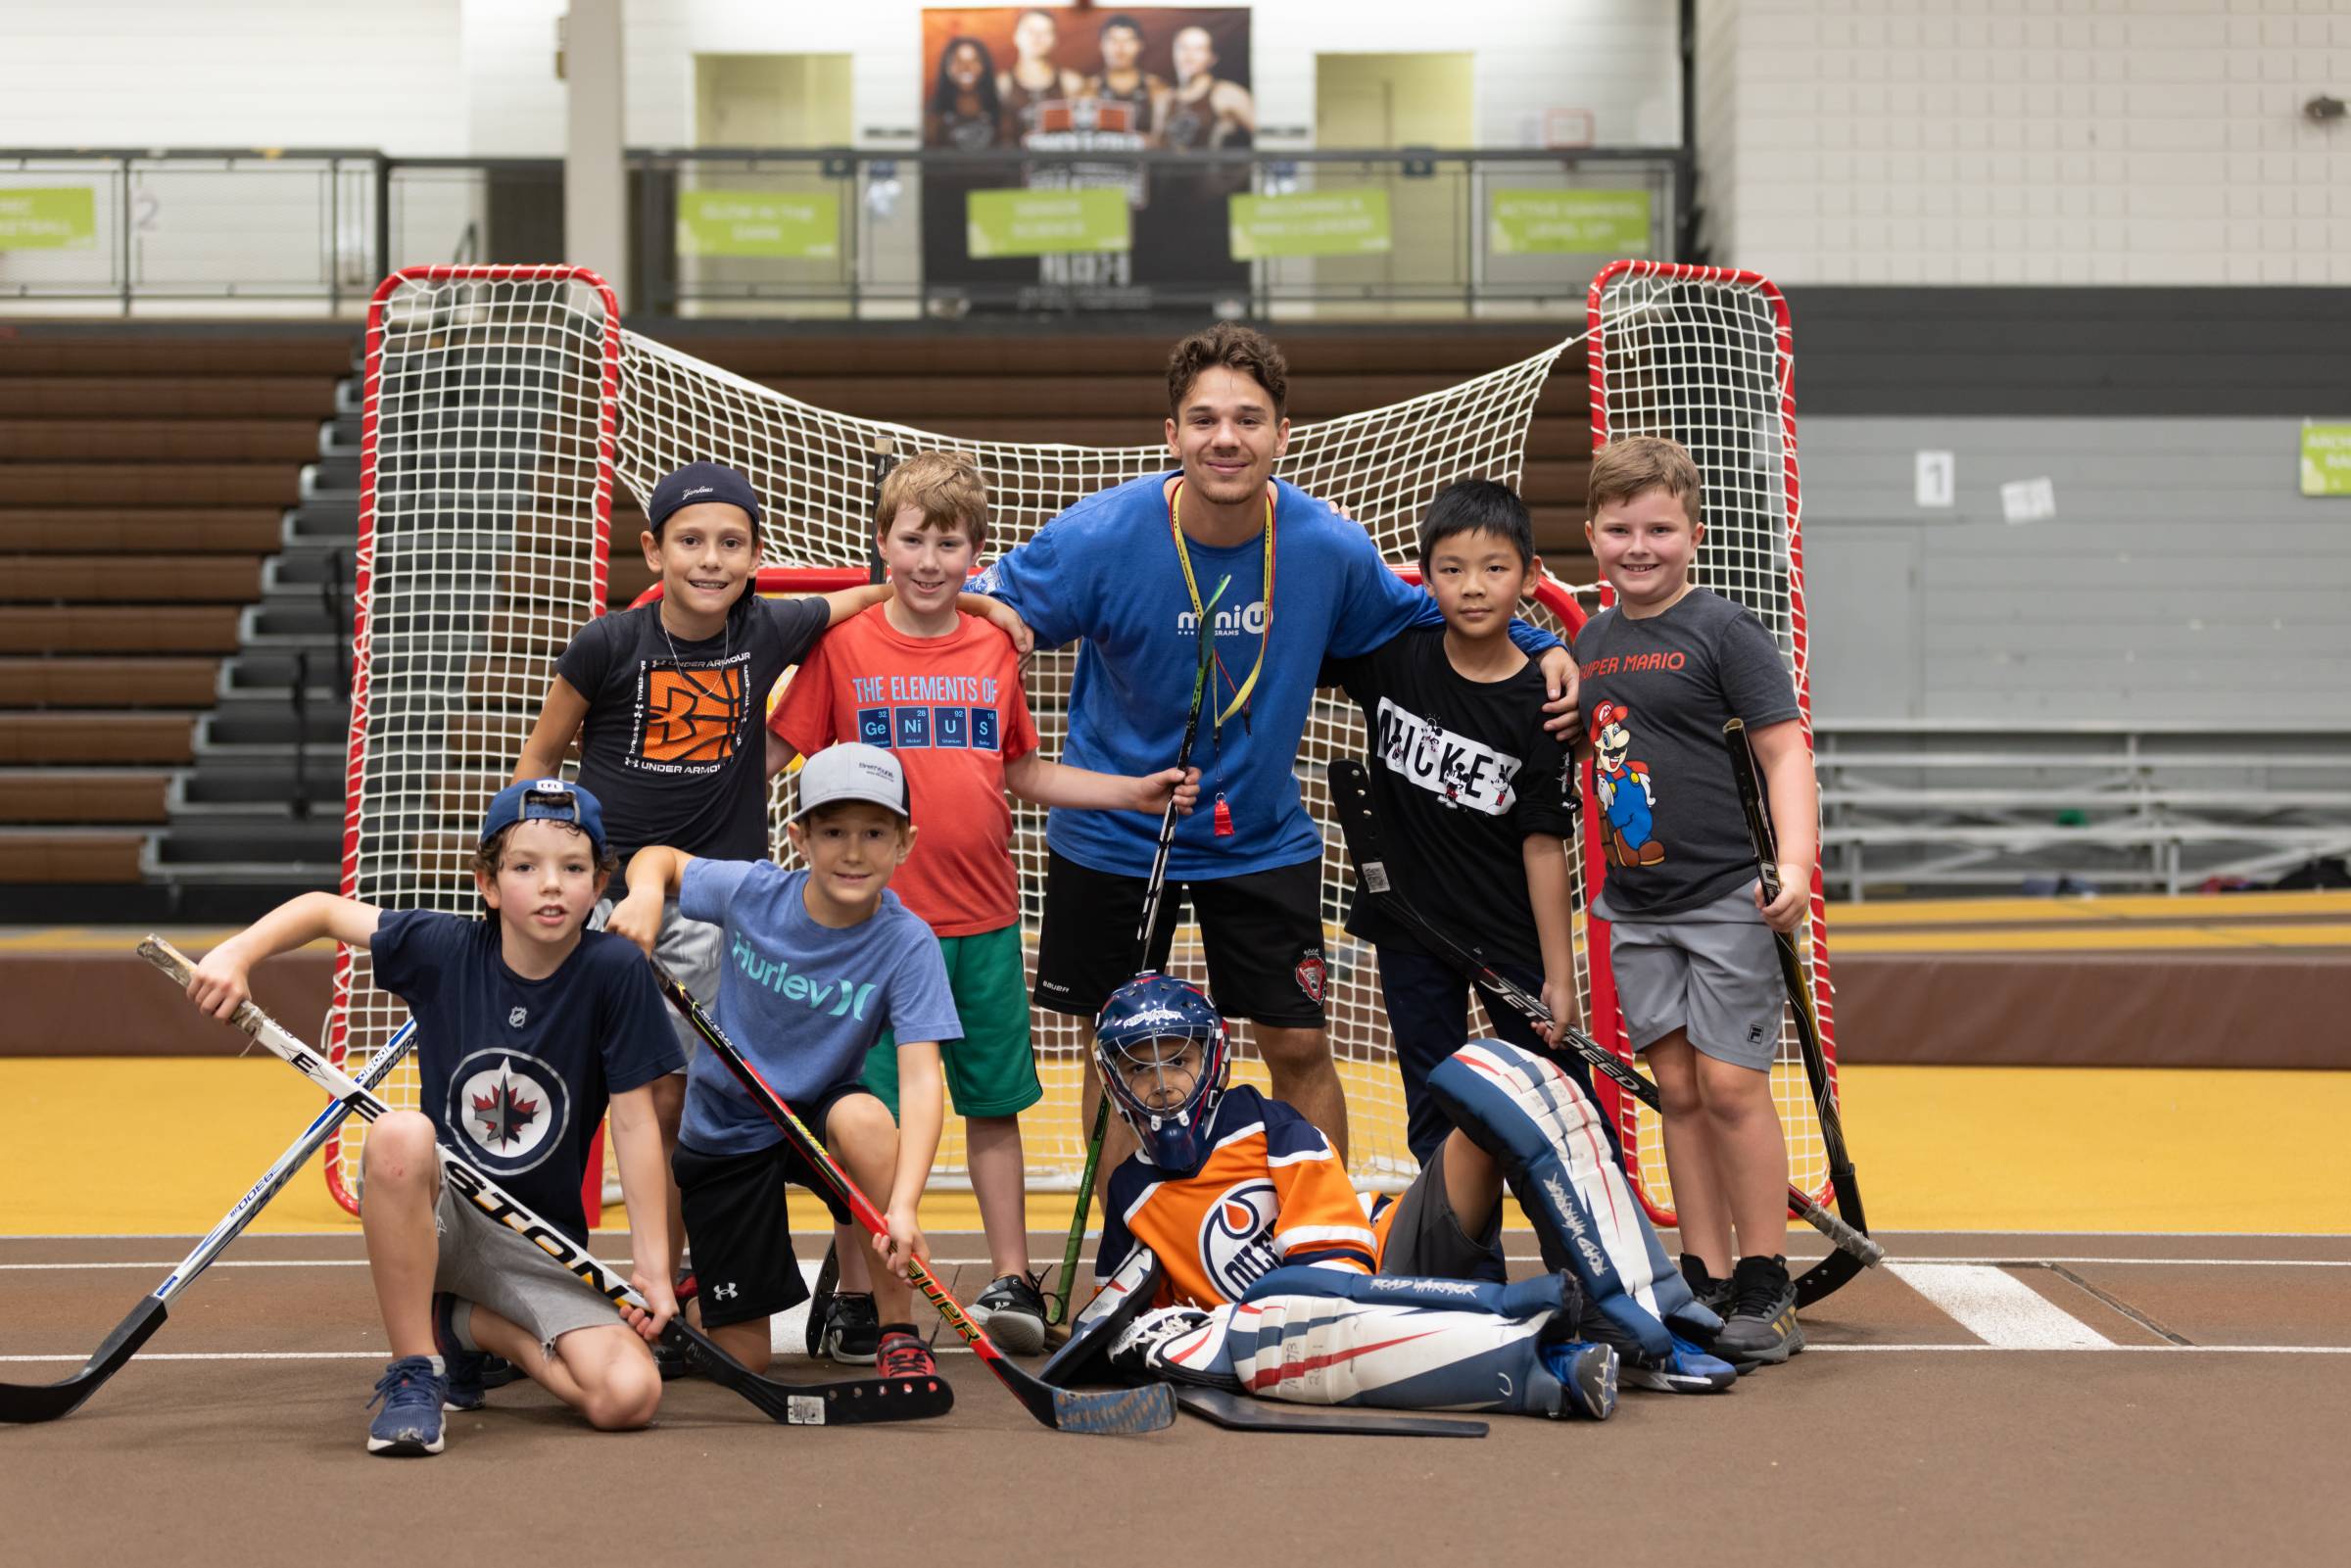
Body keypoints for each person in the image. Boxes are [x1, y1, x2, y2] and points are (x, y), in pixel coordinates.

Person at [970, 322, 1579, 1174]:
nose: (1227, 438)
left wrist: (1537, 637)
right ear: (1172, 433)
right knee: (1121, 1059)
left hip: (1256, 838)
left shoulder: (1327, 545)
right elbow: (976, 603)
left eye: (1249, 419)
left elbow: (1423, 612)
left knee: (1296, 1044)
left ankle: (1325, 1241)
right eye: (1206, 419)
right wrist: (991, 627)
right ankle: (1128, 1261)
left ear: (1282, 435)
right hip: (1112, 839)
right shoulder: (1100, 534)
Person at [511, 461, 1022, 1284]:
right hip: (609, 904)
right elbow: (538, 762)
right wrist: (539, 872)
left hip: (717, 910)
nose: (709, 559)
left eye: (729, 543)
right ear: (652, 550)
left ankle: (678, 1274)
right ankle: (529, 1270)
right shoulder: (608, 643)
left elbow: (874, 594)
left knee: (684, 1100)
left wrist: (979, 603)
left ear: (755, 556)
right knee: (573, 1093)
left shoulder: (767, 630)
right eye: (689, 541)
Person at [762, 450, 1196, 1358]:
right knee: (865, 1117)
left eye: (947, 542)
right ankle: (855, 1291)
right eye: (911, 538)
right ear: (881, 545)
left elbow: (1022, 769)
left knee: (992, 1106)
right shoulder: (841, 646)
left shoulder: (996, 644)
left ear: (977, 553)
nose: (928, 559)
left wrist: (1133, 791)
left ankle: (1011, 1275)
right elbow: (776, 754)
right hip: (866, 934)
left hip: (984, 918)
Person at [181, 780, 682, 1456]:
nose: (551, 885)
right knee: (399, 1133)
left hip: (536, 1243)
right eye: (525, 866)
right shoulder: (446, 948)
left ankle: (471, 1327)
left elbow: (635, 1122)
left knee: (630, 1395)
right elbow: (324, 910)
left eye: (572, 869)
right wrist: (238, 953)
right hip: (439, 1218)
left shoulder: (615, 970)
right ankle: (416, 1369)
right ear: (488, 882)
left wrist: (652, 1268)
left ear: (599, 885)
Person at [1056, 974, 1733, 1416]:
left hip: (1383, 1267)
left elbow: (1338, 1267)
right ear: (1113, 1080)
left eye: (1179, 1057)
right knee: (1276, 1324)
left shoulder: (1262, 1121)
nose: (1164, 1083)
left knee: (1492, 1080)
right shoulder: (1130, 1193)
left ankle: (1642, 1310)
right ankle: (1550, 1354)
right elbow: (1123, 1315)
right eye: (1139, 1066)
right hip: (1306, 1339)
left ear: (1215, 1058)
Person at [1572, 434, 1816, 1369]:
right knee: (1674, 1091)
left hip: (1724, 899)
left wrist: (1795, 862)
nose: (1641, 545)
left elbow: (1785, 751)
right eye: (1622, 528)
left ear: (1695, 535)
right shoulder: (1592, 641)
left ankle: (1766, 1278)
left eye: (1661, 528)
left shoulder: (1724, 631)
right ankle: (1704, 1277)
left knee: (1728, 1087)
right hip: (1634, 904)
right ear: (1593, 537)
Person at [613, 743, 958, 1383]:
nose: (852, 851)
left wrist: (905, 1205)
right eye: (832, 831)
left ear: (904, 841)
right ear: (799, 837)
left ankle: (895, 1328)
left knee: (867, 1119)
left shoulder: (908, 942)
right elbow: (657, 859)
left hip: (819, 1113)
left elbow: (919, 1080)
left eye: (874, 832)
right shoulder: (754, 891)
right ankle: (700, 1290)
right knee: (744, 1360)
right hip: (728, 1121)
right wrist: (644, 895)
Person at [1321, 479, 1606, 1187]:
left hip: (1507, 934)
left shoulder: (1546, 699)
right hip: (1410, 928)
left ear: (1532, 578)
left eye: (1495, 568)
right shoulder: (1391, 656)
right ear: (1426, 576)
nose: (1472, 587)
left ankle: (1602, 1268)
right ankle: (1459, 1268)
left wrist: (1559, 977)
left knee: (1563, 1101)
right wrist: (1325, 541)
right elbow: (1309, 623)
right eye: (1451, 569)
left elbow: (1545, 844)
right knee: (1435, 1105)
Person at [996, 6, 1086, 145]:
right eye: (1030, 31)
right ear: (1016, 35)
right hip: (1015, 164)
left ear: (1055, 39)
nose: (1037, 37)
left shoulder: (1071, 83)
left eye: (1045, 32)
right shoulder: (1002, 84)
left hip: (1058, 164)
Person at [1161, 24, 1255, 151]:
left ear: (1212, 58)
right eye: (1182, 48)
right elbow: (1158, 145)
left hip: (1210, 169)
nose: (1189, 56)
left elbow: (1264, 136)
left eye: (1199, 49)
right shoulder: (1165, 98)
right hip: (1167, 170)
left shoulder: (1227, 94)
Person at [1081, 13, 1170, 144]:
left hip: (1142, 162)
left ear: (1140, 45)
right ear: (1101, 45)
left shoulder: (1155, 88)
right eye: (1113, 40)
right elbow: (1082, 139)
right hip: (1102, 162)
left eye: (1128, 40)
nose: (1120, 47)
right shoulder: (1089, 89)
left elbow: (1162, 141)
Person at [927, 35, 1004, 150]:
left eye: (974, 61)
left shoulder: (1001, 111)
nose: (966, 68)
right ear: (947, 67)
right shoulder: (934, 114)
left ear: (984, 66)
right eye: (958, 61)